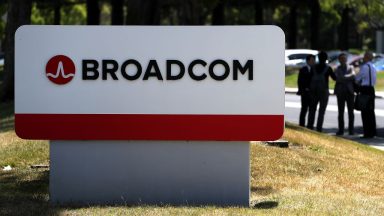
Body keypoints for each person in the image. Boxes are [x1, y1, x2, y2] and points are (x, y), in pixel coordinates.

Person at [307, 51, 336, 132]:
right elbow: (334, 78)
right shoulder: (328, 68)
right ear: (326, 58)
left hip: (313, 91)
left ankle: (310, 126)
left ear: (318, 58)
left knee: (312, 110)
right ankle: (319, 128)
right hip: (324, 91)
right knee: (321, 111)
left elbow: (309, 79)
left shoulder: (313, 67)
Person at [355, 51, 377, 138]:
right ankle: (373, 132)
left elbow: (357, 79)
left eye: (364, 56)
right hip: (371, 89)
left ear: (367, 57)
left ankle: (367, 133)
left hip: (365, 89)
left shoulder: (364, 67)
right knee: (371, 111)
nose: (363, 58)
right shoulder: (373, 66)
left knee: (365, 112)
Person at [334, 53, 355, 135]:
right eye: (341, 58)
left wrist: (342, 77)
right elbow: (336, 78)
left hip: (349, 92)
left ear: (346, 59)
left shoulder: (351, 67)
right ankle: (341, 130)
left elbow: (353, 75)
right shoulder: (337, 68)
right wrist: (347, 78)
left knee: (351, 112)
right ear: (339, 60)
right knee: (340, 112)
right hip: (340, 92)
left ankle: (351, 130)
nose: (343, 60)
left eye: (344, 58)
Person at [297, 54, 315, 127]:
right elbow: (300, 81)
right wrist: (303, 89)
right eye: (312, 60)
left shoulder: (315, 69)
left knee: (312, 110)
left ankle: (310, 125)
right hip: (305, 93)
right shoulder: (303, 69)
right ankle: (301, 125)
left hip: (313, 93)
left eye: (314, 60)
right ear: (307, 61)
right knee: (304, 109)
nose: (313, 62)